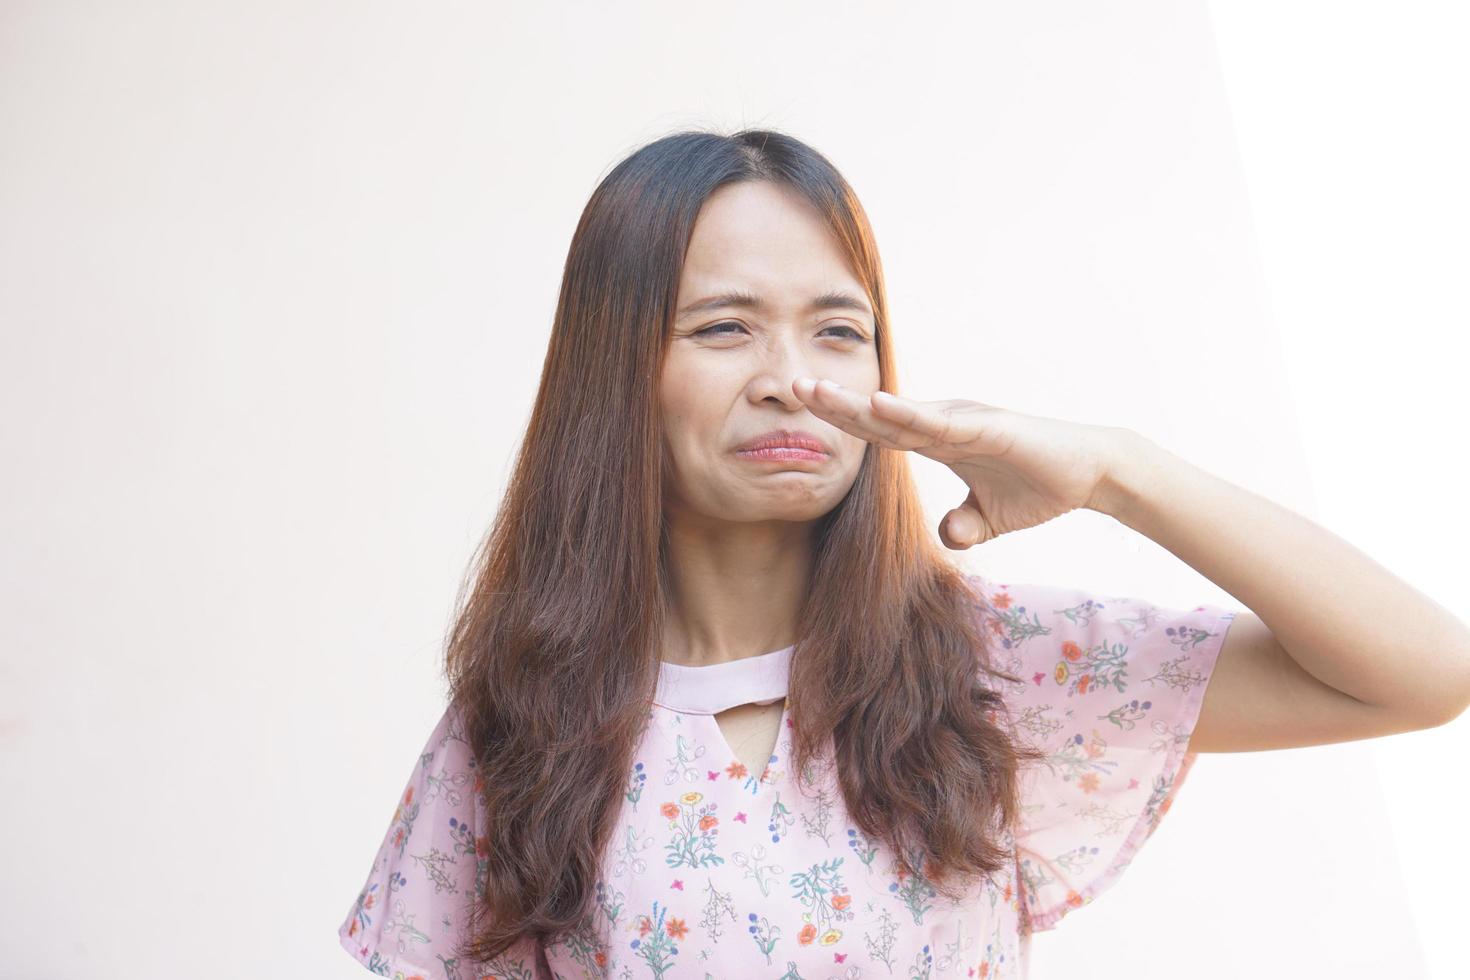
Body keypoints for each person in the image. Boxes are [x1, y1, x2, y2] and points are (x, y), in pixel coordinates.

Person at [337, 129, 1470, 980]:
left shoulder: (980, 665)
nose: (792, 376)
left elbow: (1424, 672)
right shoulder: (523, 727)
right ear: (615, 369)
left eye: (837, 329)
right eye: (725, 326)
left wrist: (1120, 470)